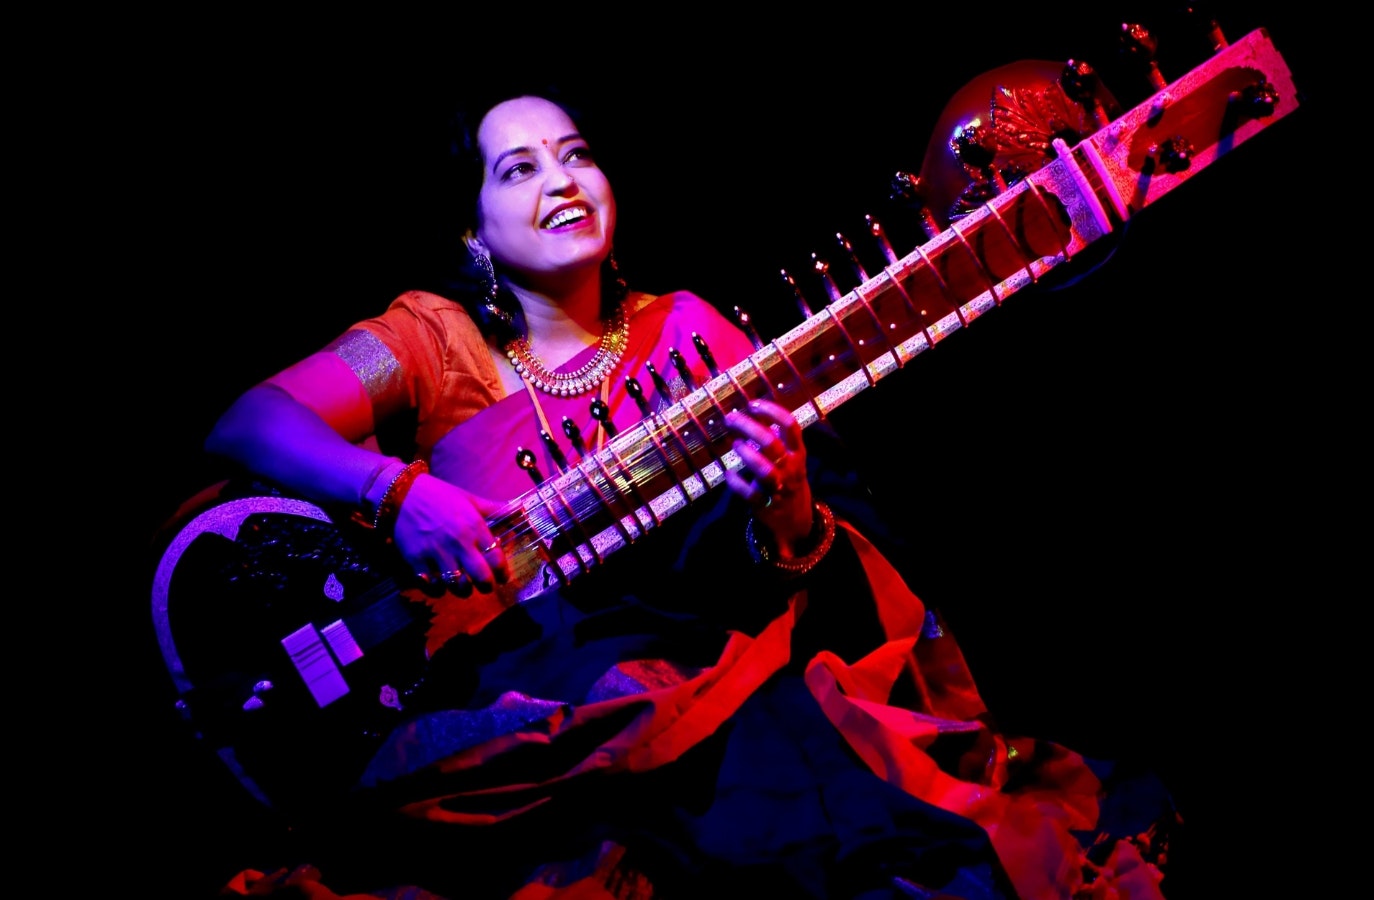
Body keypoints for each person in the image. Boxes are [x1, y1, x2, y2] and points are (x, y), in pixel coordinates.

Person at [183, 82, 1179, 899]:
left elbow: (795, 559)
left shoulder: (694, 333)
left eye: (576, 154)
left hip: (705, 687)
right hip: (525, 709)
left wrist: (783, 511)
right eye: (519, 168)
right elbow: (249, 422)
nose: (561, 181)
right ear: (475, 227)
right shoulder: (433, 339)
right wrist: (402, 495)